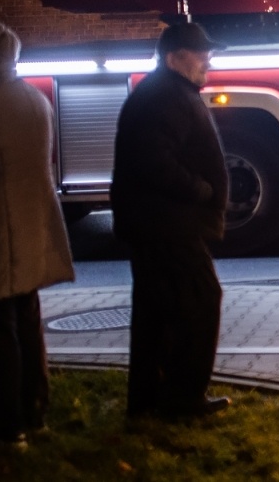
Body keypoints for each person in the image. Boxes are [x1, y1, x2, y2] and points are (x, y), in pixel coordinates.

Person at [111, 21, 231, 420]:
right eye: (200, 53)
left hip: (156, 222)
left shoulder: (165, 92)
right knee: (200, 299)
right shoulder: (166, 97)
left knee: (157, 311)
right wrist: (201, 190)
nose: (207, 60)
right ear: (174, 58)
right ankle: (183, 396)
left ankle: (148, 400)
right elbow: (155, 162)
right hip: (168, 224)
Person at [0, 22, 76, 443]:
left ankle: (7, 424)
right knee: (28, 324)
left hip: (1, 236)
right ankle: (35, 408)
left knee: (0, 331)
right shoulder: (32, 98)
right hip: (28, 231)